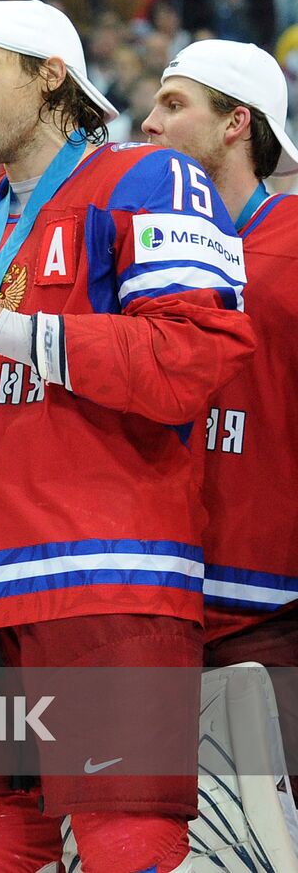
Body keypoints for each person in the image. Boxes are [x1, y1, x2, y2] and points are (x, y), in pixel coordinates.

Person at [0, 0, 254, 870]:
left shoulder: (148, 180)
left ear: (51, 75)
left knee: (126, 838)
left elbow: (191, 357)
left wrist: (4, 329)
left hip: (101, 569)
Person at [140, 39, 298, 766]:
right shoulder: (133, 241)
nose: (148, 123)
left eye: (174, 105)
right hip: (140, 594)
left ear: (238, 123)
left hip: (271, 609)